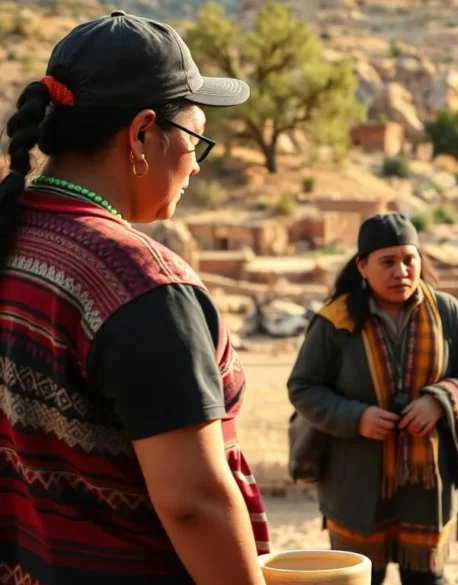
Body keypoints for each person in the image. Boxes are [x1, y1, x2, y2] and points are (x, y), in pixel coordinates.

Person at [0, 10, 269, 585]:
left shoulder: (18, 236)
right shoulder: (140, 284)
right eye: (196, 140)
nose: (196, 165)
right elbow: (191, 503)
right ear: (143, 134)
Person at [288, 212, 458, 585]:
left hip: (428, 485)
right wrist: (356, 417)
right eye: (387, 262)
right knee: (358, 578)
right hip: (354, 483)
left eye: (409, 260)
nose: (401, 272)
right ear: (362, 266)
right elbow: (303, 387)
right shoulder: (335, 321)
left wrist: (439, 401)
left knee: (428, 578)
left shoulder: (446, 313)